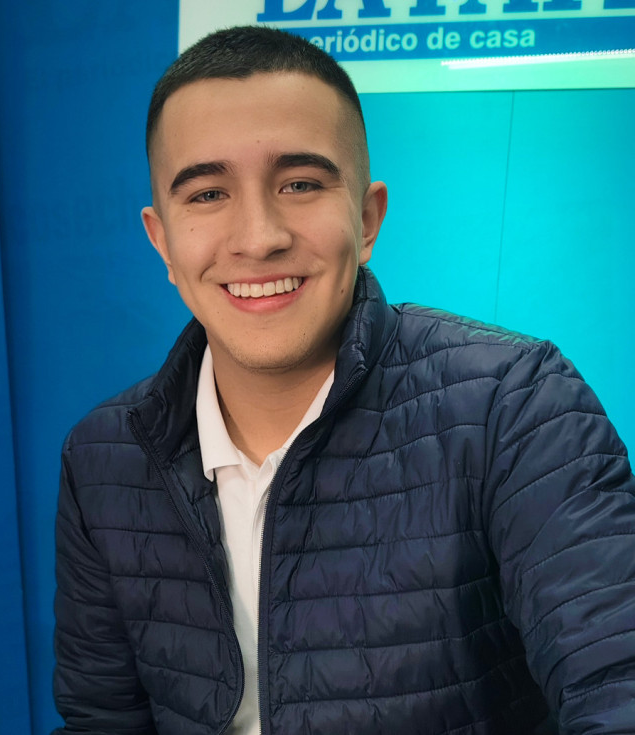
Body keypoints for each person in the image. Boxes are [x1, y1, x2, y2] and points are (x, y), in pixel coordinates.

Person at [53, 25, 635, 735]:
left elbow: (617, 684)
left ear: (366, 219)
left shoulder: (515, 407)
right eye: (207, 194)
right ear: (163, 241)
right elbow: (102, 719)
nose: (259, 236)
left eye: (300, 184)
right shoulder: (103, 457)